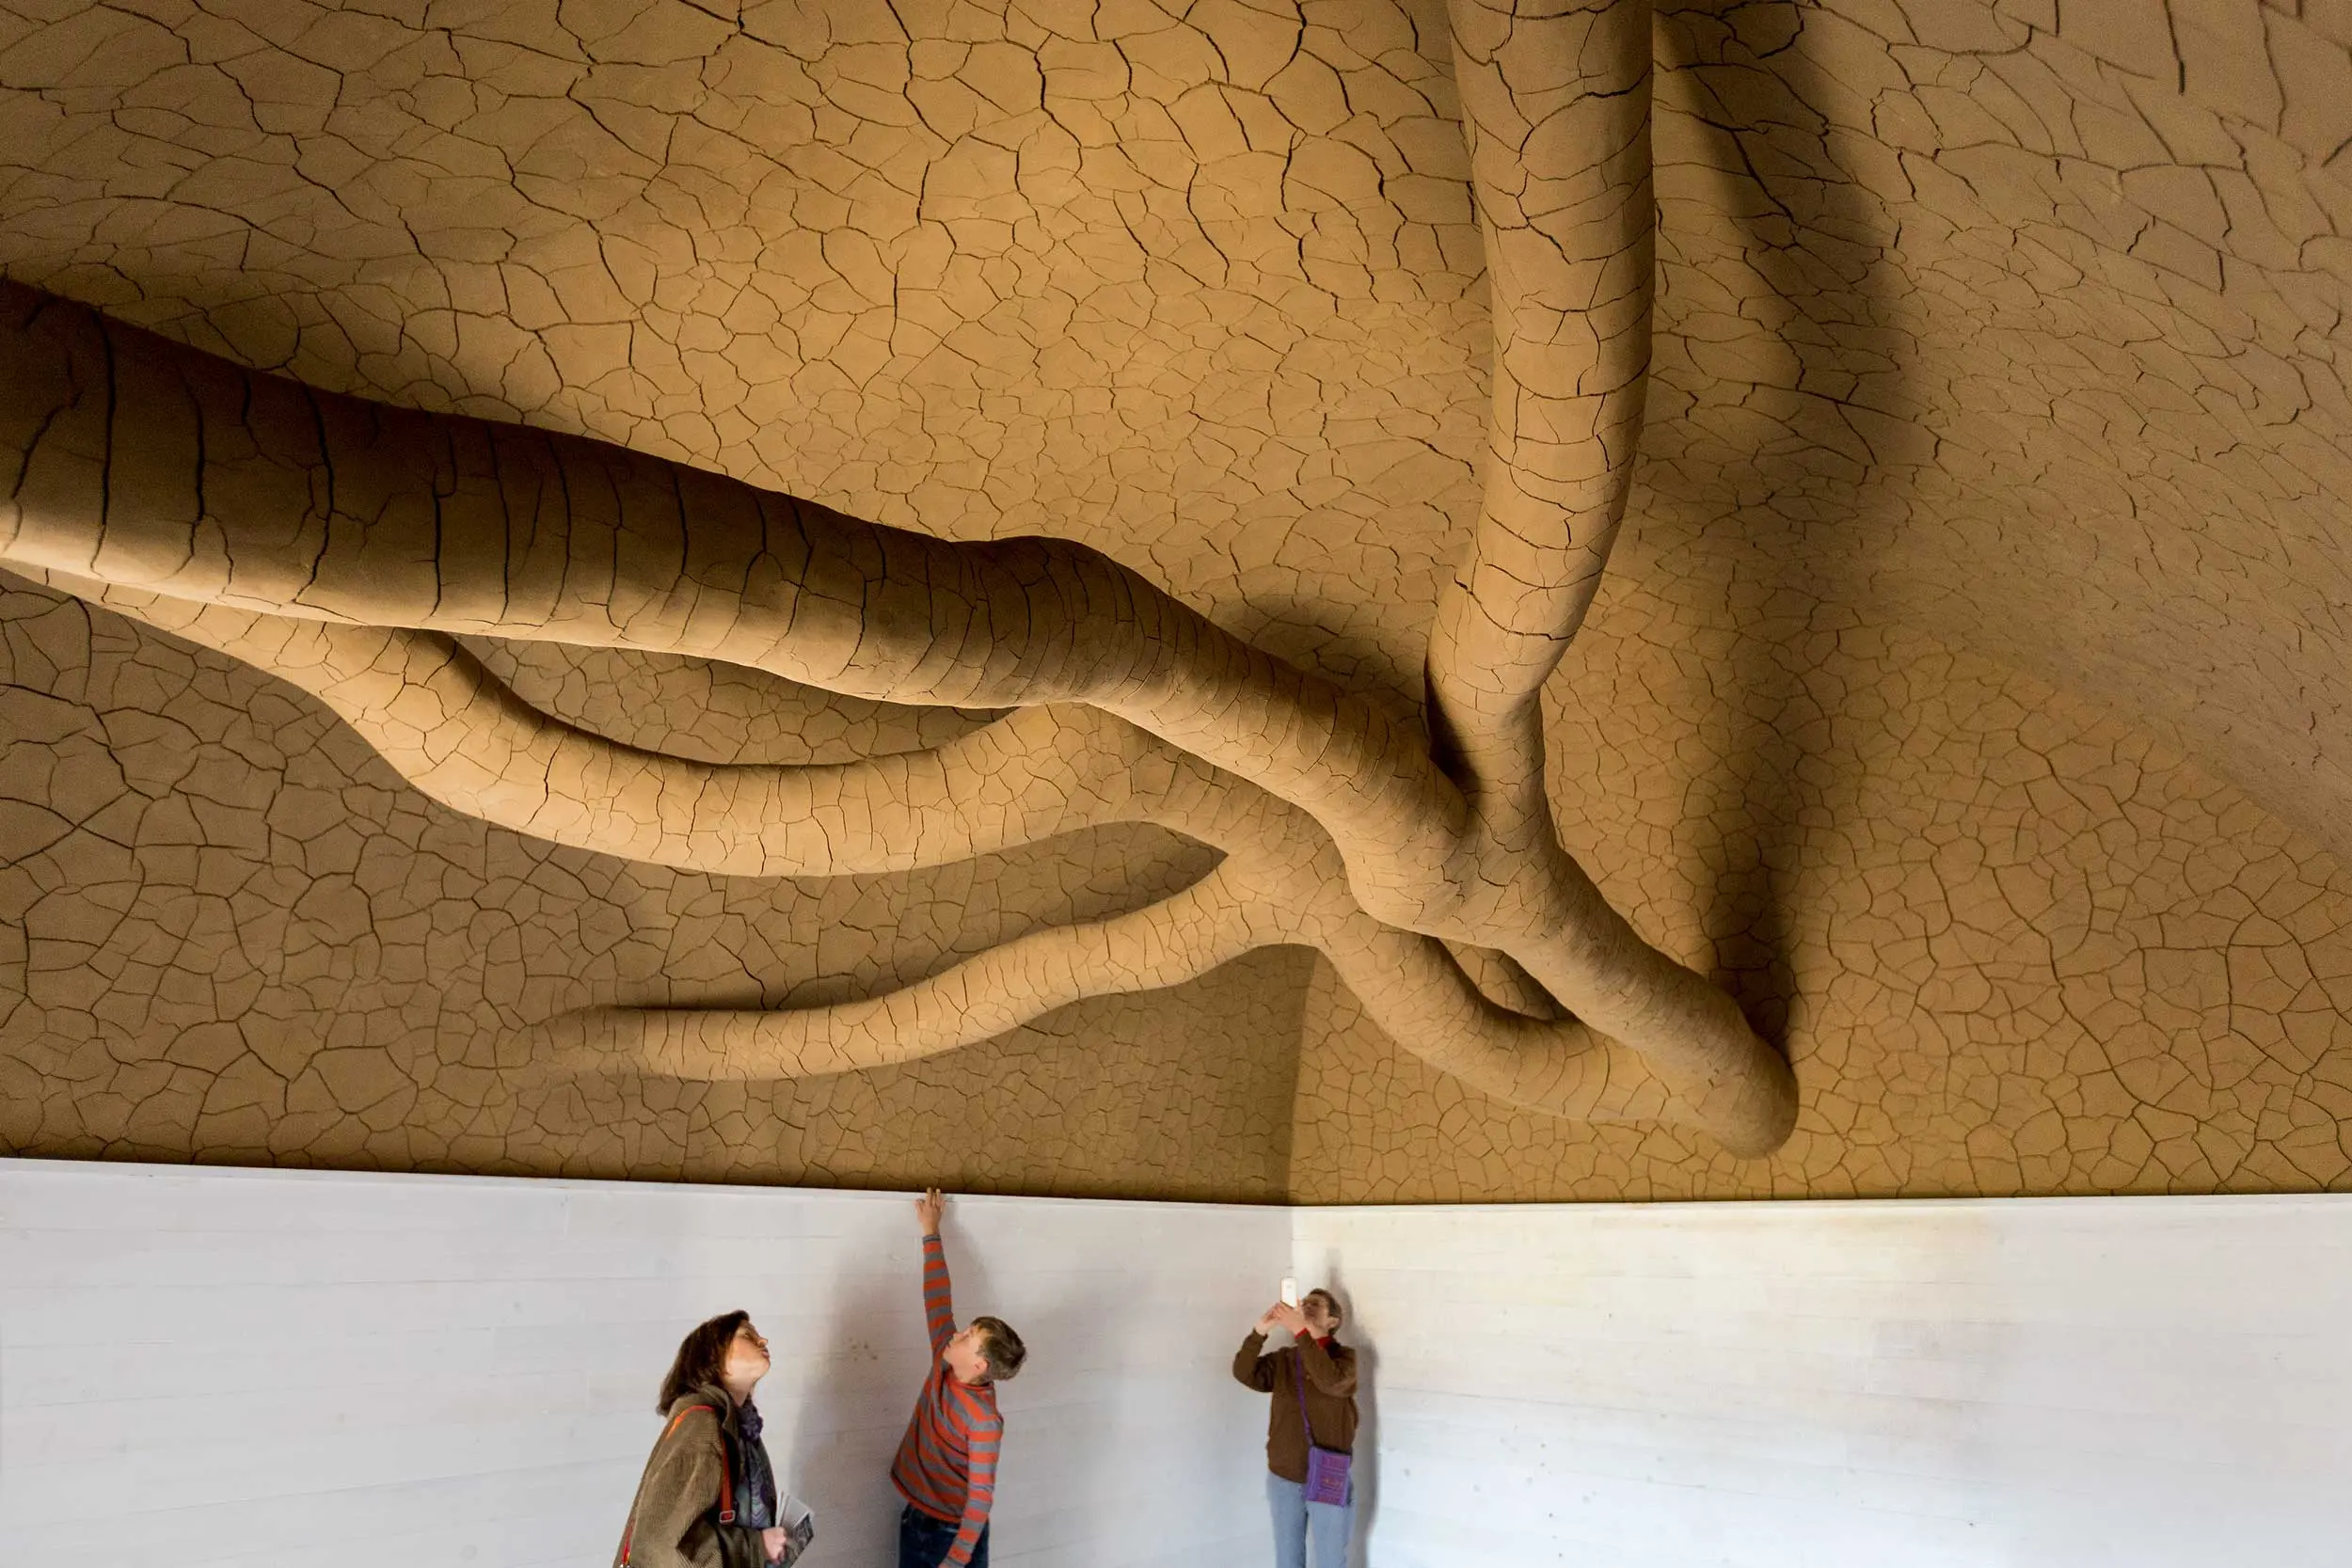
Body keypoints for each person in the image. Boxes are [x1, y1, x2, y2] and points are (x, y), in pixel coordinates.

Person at [892, 1186, 1027, 1568]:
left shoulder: (984, 1421)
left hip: (949, 1536)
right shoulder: (946, 1358)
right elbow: (937, 1298)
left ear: (980, 1364)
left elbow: (980, 1498)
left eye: (968, 1337)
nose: (957, 1334)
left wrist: (954, 1563)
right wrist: (931, 1231)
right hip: (917, 1516)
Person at [613, 1311, 812, 1567]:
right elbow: (663, 1543)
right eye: (747, 1335)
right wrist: (756, 1545)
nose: (763, 1340)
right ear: (712, 1357)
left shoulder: (741, 1429)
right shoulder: (702, 1426)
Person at [1233, 1288, 1359, 1568]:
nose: (1307, 1306)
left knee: (1330, 1560)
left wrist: (1302, 1332)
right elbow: (1244, 1373)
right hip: (1284, 1477)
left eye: (1317, 1304)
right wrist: (1260, 1330)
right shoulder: (1285, 1359)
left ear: (1333, 1321)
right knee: (1287, 1559)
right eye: (1305, 1302)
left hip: (1329, 1474)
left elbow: (1331, 1382)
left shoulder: (1345, 1359)